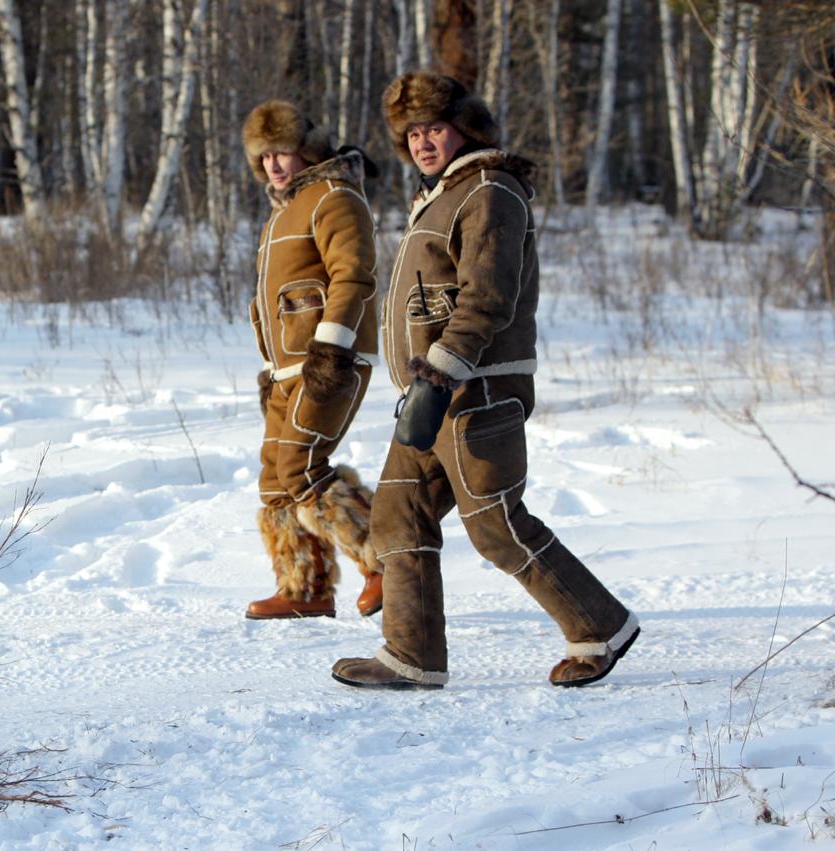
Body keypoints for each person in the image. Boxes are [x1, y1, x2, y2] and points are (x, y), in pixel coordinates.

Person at [331, 73, 639, 688]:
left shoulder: (489, 190)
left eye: (435, 129)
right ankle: (411, 657)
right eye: (412, 133)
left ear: (464, 129)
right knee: (397, 519)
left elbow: (488, 297)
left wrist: (439, 373)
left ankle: (601, 628)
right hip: (433, 394)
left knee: (497, 526)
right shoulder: (442, 195)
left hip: (477, 388)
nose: (422, 143)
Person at [240, 100, 382, 620]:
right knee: (276, 481)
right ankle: (305, 588)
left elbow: (354, 274)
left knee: (302, 467)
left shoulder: (333, 196)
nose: (275, 164)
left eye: (283, 152)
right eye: (265, 156)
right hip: (285, 368)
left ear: (307, 148)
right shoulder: (281, 213)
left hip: (328, 359)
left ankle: (387, 562)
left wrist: (331, 346)